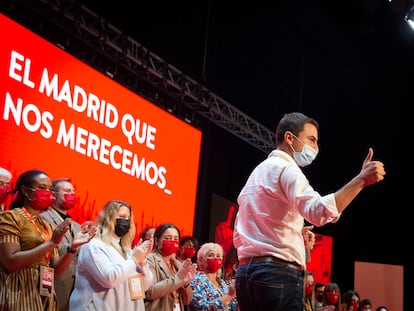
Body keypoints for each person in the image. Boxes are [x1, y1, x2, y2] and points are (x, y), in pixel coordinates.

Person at [233, 112, 386, 311]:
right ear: (289, 138)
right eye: (311, 140)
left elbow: (251, 224)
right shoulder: (287, 169)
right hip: (276, 274)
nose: (315, 148)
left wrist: (295, 233)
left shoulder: (257, 174)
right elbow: (319, 211)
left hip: (246, 276)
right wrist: (361, 180)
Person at [0, 169, 96, 311]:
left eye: (50, 189)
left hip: (43, 298)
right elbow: (10, 262)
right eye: (42, 188)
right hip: (16, 294)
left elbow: (54, 271)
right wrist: (51, 244)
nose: (47, 192)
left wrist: (72, 248)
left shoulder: (48, 226)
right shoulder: (10, 217)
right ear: (26, 191)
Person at [69, 199, 153, 310]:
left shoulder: (128, 251)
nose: (126, 222)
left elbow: (144, 287)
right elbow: (109, 279)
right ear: (108, 218)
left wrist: (143, 263)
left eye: (128, 219)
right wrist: (134, 260)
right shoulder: (93, 245)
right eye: (122, 217)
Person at [39, 178, 82, 311]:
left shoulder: (77, 226)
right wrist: (73, 247)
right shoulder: (43, 218)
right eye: (67, 191)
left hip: (74, 288)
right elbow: (47, 250)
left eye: (73, 191)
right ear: (54, 194)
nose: (72, 194)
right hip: (53, 283)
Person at [144, 223, 198, 311]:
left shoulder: (178, 265)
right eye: (167, 238)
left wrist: (185, 284)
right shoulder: (150, 259)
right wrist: (179, 277)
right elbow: (150, 292)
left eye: (175, 239)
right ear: (157, 241)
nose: (172, 241)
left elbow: (187, 301)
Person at [188, 242, 238, 311]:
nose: (215, 258)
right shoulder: (195, 281)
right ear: (201, 260)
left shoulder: (222, 283)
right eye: (211, 255)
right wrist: (228, 296)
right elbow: (203, 308)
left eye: (218, 256)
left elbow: (232, 307)